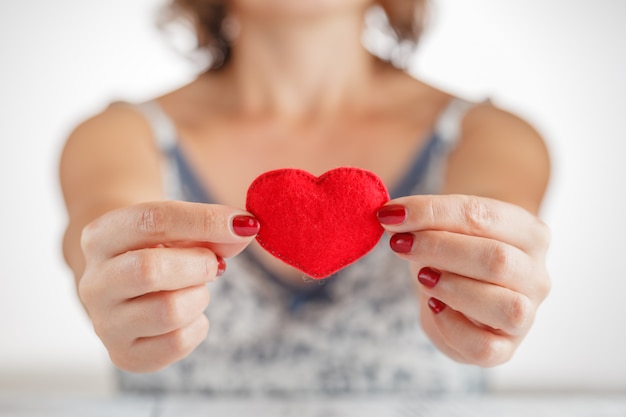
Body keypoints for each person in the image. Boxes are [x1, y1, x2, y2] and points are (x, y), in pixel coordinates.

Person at [59, 0, 551, 397]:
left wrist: (490, 279)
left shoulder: (488, 136)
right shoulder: (119, 135)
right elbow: (99, 231)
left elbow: (500, 213)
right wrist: (116, 285)